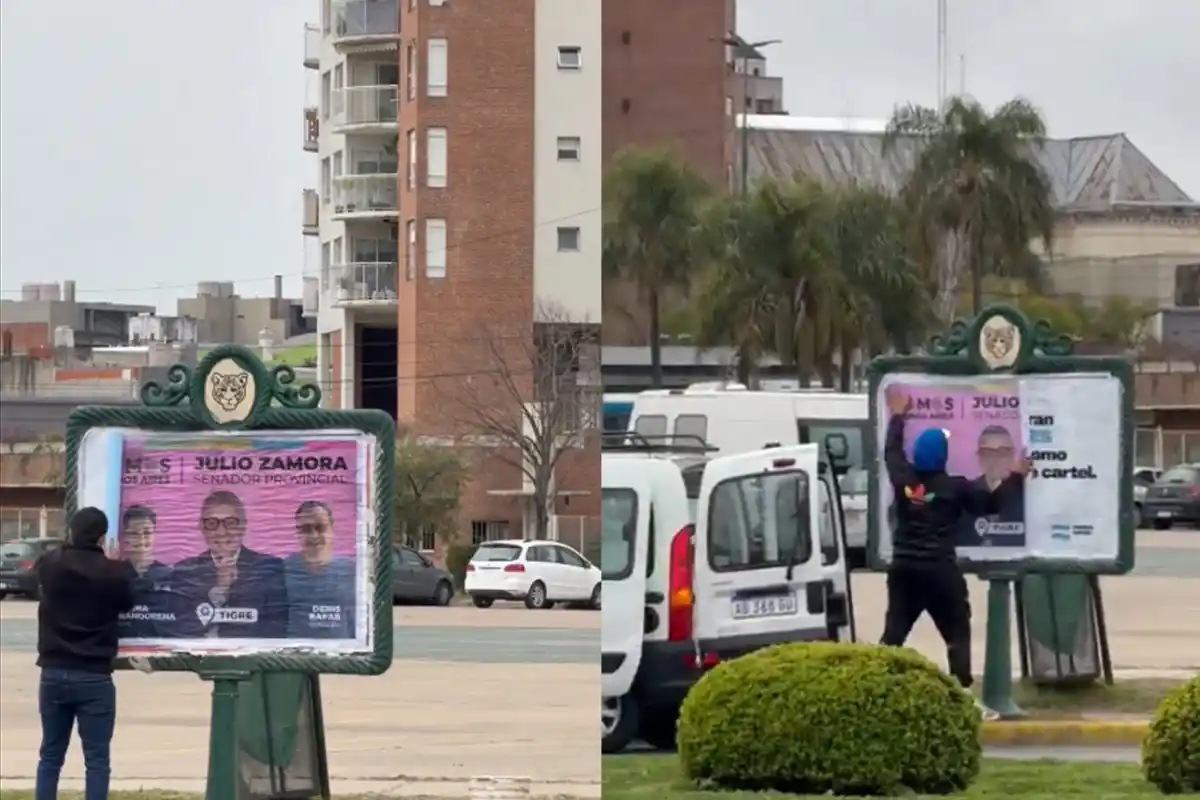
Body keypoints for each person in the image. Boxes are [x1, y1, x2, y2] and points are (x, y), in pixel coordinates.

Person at [880, 388, 1029, 718]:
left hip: (904, 569)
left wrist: (898, 414)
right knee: (957, 631)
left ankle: (873, 691)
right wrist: (1016, 475)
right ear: (943, 457)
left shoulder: (904, 481)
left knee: (894, 633)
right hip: (939, 572)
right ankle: (962, 695)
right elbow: (990, 505)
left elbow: (891, 451)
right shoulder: (956, 487)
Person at [34, 506, 136, 800]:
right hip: (94, 675)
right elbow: (128, 599)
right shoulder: (111, 573)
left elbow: (46, 561)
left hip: (53, 672)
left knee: (50, 756)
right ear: (103, 539)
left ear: (71, 531)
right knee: (97, 760)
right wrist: (119, 566)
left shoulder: (51, 565)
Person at [173, 490, 288, 639]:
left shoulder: (269, 569)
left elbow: (276, 631)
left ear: (243, 526)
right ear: (201, 527)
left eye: (231, 523)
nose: (221, 532)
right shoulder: (185, 572)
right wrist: (220, 590)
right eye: (212, 523)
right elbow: (181, 629)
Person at [283, 501, 357, 639]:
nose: (314, 535)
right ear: (297, 532)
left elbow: (358, 621)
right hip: (292, 655)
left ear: (331, 529)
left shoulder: (351, 571)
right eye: (306, 528)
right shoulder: (281, 570)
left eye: (320, 527)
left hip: (339, 655)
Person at [116, 505, 180, 639]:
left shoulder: (169, 576)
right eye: (134, 533)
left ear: (155, 535)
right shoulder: (113, 575)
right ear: (125, 536)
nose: (141, 538)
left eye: (147, 532)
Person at [957, 425, 1027, 546]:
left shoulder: (1025, 493)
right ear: (979, 457)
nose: (996, 459)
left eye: (1003, 452)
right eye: (988, 453)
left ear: (1012, 455)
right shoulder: (966, 494)